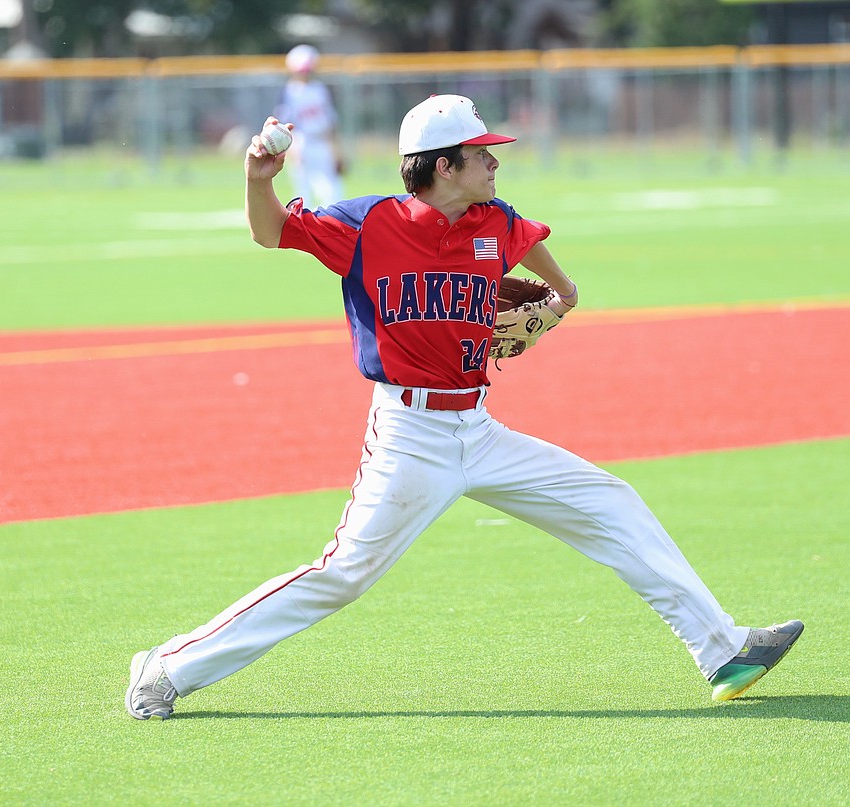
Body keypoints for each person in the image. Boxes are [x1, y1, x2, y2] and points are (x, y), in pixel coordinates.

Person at [126, 94, 803, 720]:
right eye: (481, 154)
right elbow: (270, 231)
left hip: (478, 430)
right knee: (343, 575)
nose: (494, 162)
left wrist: (564, 291)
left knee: (610, 502)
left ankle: (723, 649)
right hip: (409, 435)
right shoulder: (368, 224)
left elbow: (528, 241)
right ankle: (167, 667)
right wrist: (258, 179)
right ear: (442, 166)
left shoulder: (492, 221)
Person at [273, 44, 345, 208]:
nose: (305, 74)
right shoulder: (289, 91)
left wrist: (336, 150)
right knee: (303, 191)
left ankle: (335, 221)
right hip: (301, 141)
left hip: (322, 141)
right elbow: (284, 124)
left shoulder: (320, 89)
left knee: (332, 191)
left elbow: (330, 122)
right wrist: (291, 149)